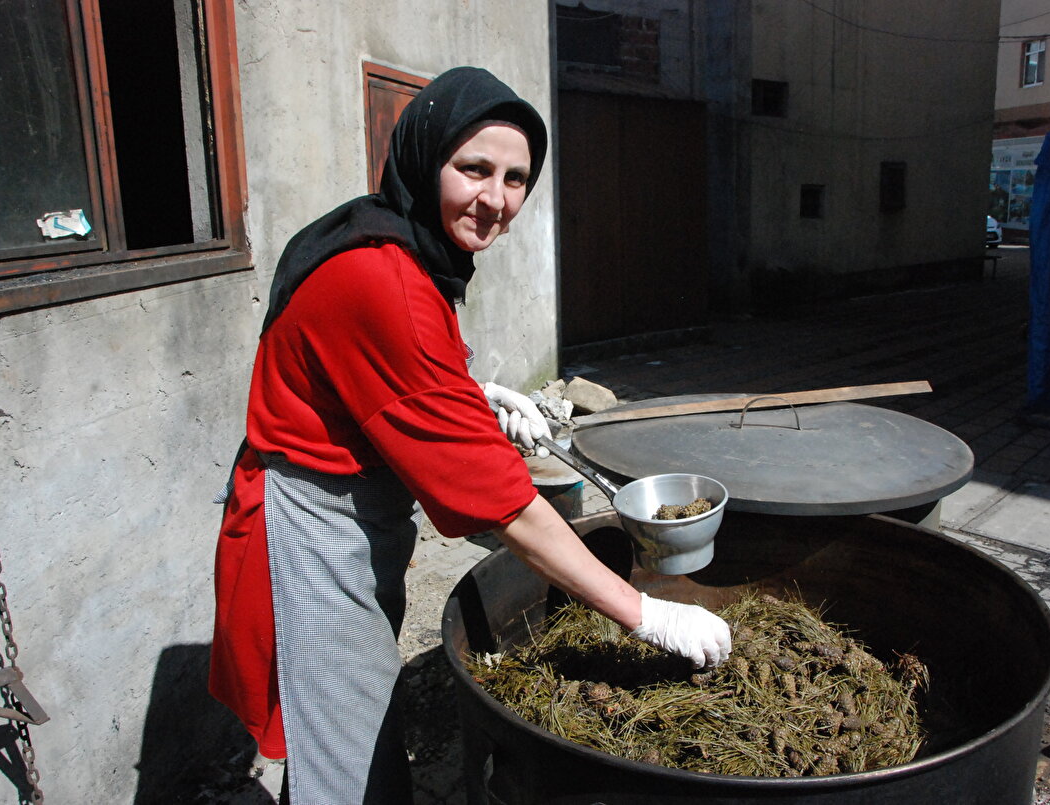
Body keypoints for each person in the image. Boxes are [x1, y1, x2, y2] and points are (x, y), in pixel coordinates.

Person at [208, 66, 731, 805]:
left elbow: (365, 371)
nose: (496, 200)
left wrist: (474, 396)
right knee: (350, 765)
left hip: (353, 508)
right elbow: (506, 507)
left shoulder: (393, 236)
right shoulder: (382, 279)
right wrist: (641, 610)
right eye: (474, 168)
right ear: (426, 158)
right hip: (311, 525)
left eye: (517, 178)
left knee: (342, 726)